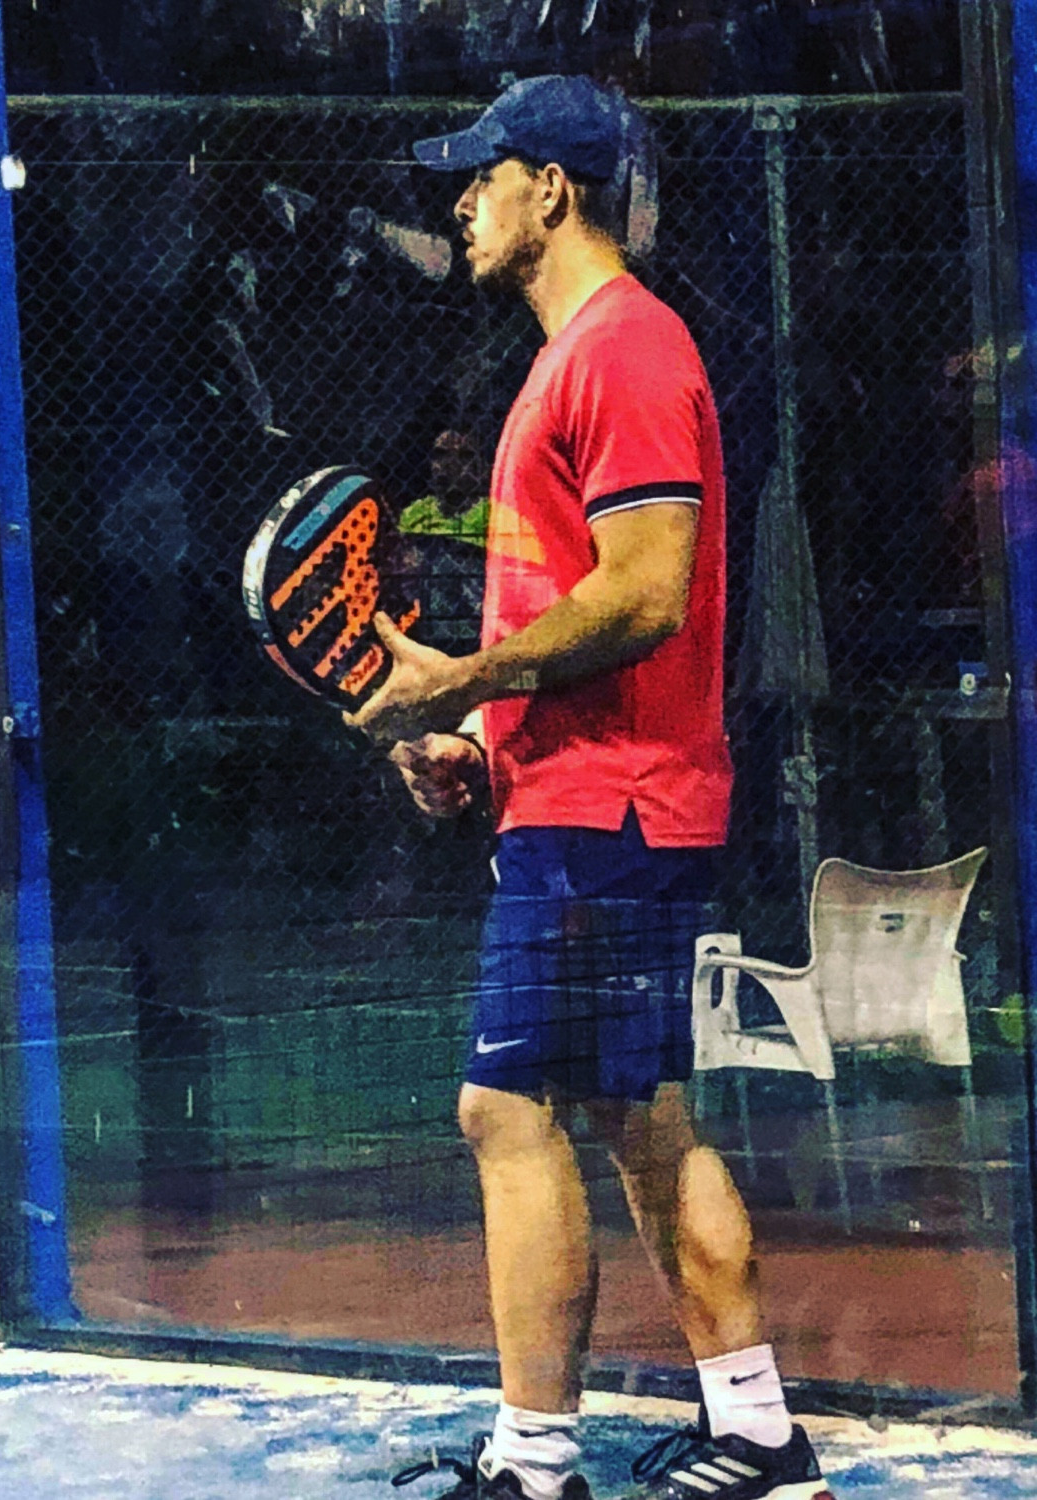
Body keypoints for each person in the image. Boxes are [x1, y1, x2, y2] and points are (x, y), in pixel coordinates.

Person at [347, 75, 834, 1500]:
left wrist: (463, 676)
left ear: (550, 188)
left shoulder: (620, 351)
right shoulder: (583, 357)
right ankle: (759, 1438)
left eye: (482, 175)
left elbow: (646, 595)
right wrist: (479, 740)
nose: (462, 202)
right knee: (642, 1119)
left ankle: (534, 1464)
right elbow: (588, 615)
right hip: (595, 797)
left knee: (504, 1112)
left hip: (611, 809)